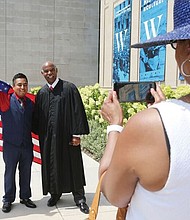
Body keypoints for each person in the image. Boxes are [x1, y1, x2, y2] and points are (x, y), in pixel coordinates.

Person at [99, 0, 190, 219]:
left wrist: (114, 127)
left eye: (175, 44)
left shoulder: (150, 125)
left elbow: (112, 193)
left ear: (187, 49)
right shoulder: (161, 122)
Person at [32, 61, 90, 214]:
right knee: (52, 165)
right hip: (49, 140)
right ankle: (55, 194)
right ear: (42, 73)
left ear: (56, 71)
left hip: (68, 138)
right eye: (46, 71)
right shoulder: (42, 93)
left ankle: (79, 198)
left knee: (73, 165)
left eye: (52, 70)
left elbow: (77, 111)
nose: (49, 73)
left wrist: (76, 134)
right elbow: (37, 117)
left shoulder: (69, 88)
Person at [0, 73, 36, 213]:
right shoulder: (5, 100)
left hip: (26, 145)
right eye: (19, 85)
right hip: (11, 146)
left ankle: (25, 197)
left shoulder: (31, 103)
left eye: (25, 84)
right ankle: (8, 199)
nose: (22, 87)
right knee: (10, 173)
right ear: (13, 86)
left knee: (26, 172)